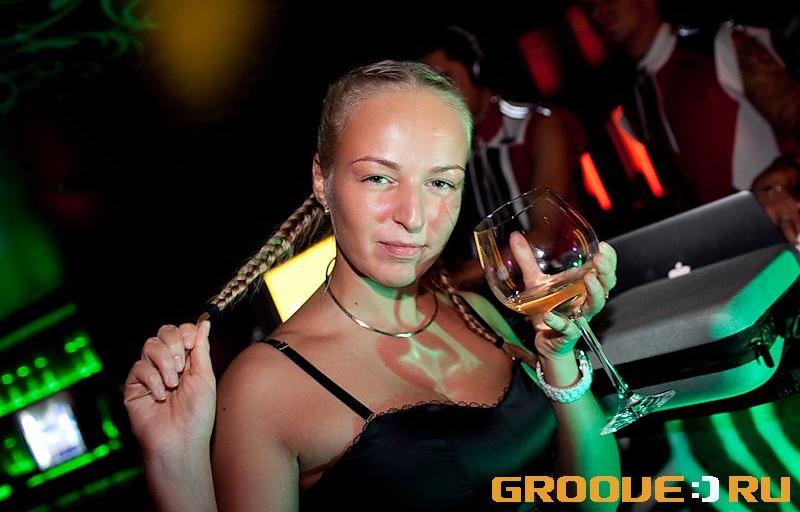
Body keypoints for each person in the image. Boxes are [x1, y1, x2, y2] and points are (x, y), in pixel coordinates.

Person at [123, 60, 621, 511]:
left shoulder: (479, 314)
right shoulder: (265, 387)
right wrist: (175, 464)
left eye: (440, 182)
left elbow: (595, 502)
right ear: (322, 180)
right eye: (379, 178)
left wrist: (558, 358)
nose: (414, 217)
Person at [577, 0, 800, 244]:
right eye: (589, 7)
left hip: (790, 230)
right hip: (737, 246)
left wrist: (780, 177)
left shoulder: (718, 47)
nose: (598, 12)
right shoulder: (634, 100)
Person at [417, 25, 589, 293]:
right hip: (495, 296)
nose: (439, 97)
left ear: (477, 71)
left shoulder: (539, 126)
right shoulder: (443, 150)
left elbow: (545, 235)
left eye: (446, 79)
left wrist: (464, 277)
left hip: (562, 283)